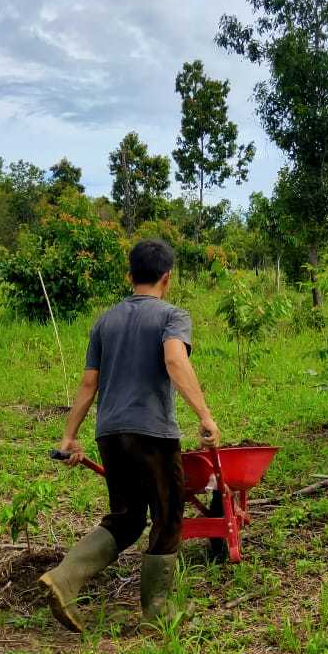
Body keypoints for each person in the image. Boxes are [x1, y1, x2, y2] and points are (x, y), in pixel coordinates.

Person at [40, 239, 220, 632]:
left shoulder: (105, 321)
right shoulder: (173, 316)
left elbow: (89, 384)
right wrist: (205, 416)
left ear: (130, 276)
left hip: (110, 433)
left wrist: (69, 436)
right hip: (152, 433)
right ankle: (157, 612)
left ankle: (64, 578)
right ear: (167, 278)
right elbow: (175, 359)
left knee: (126, 517)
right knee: (169, 515)